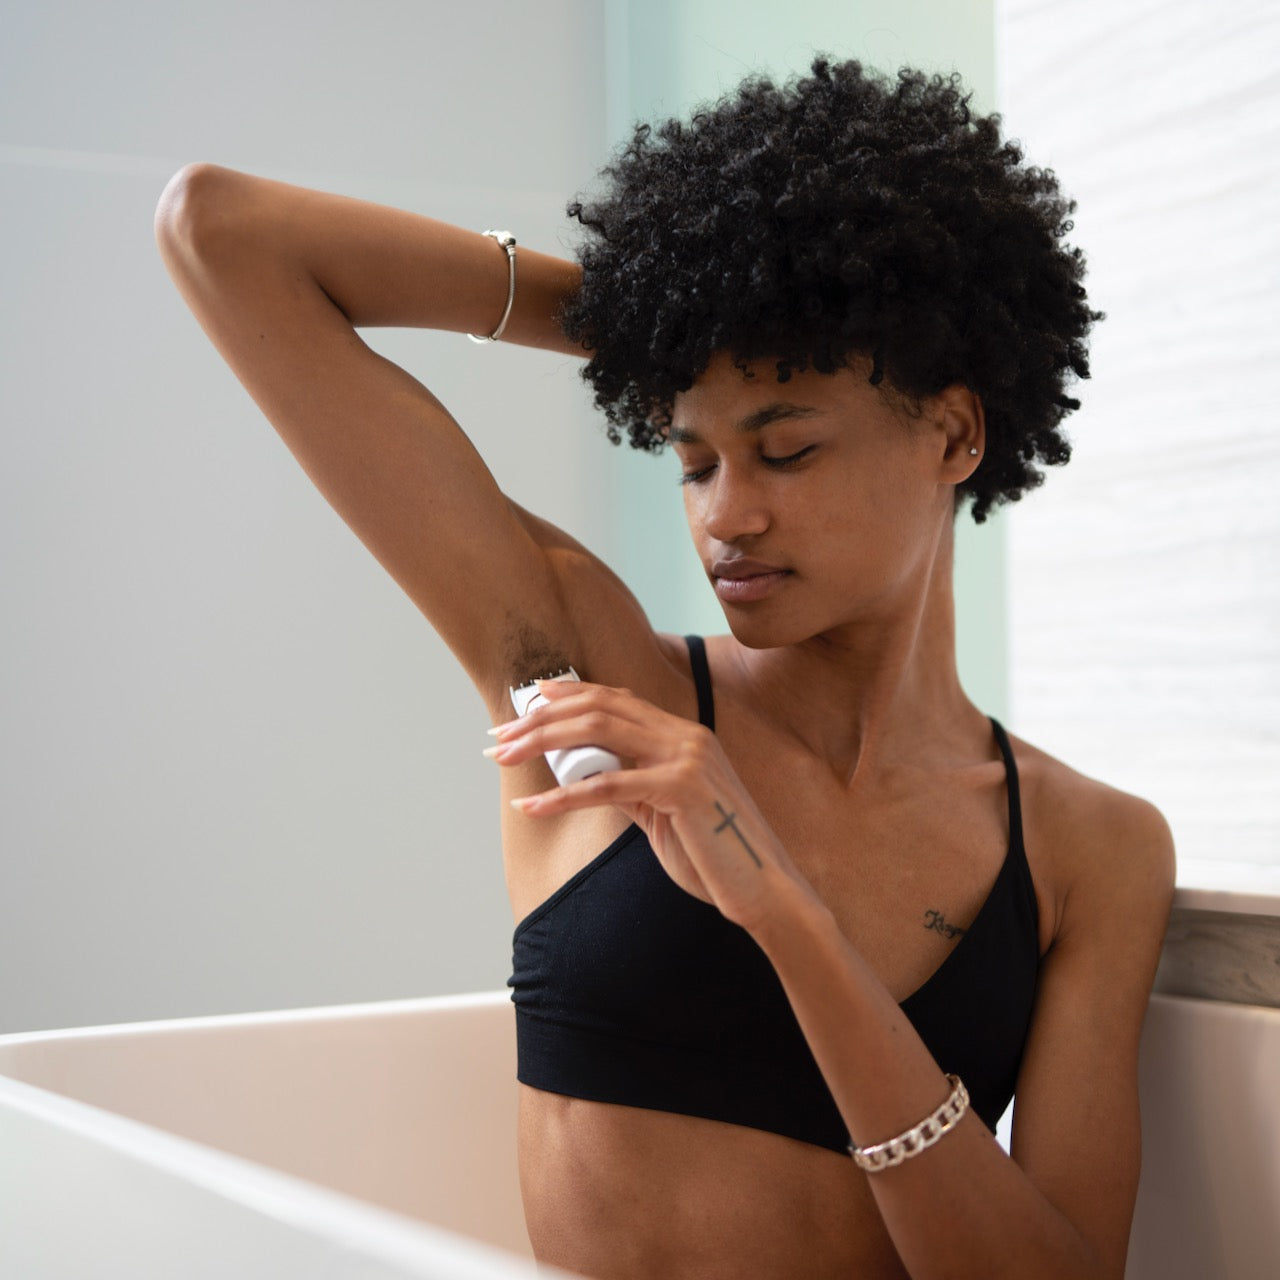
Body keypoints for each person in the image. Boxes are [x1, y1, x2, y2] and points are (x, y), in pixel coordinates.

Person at [156, 57, 1174, 1280]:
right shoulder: (590, 675)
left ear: (954, 432)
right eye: (691, 460)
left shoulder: (1088, 846)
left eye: (783, 446)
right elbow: (221, 232)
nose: (724, 516)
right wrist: (679, 320)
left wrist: (785, 919)